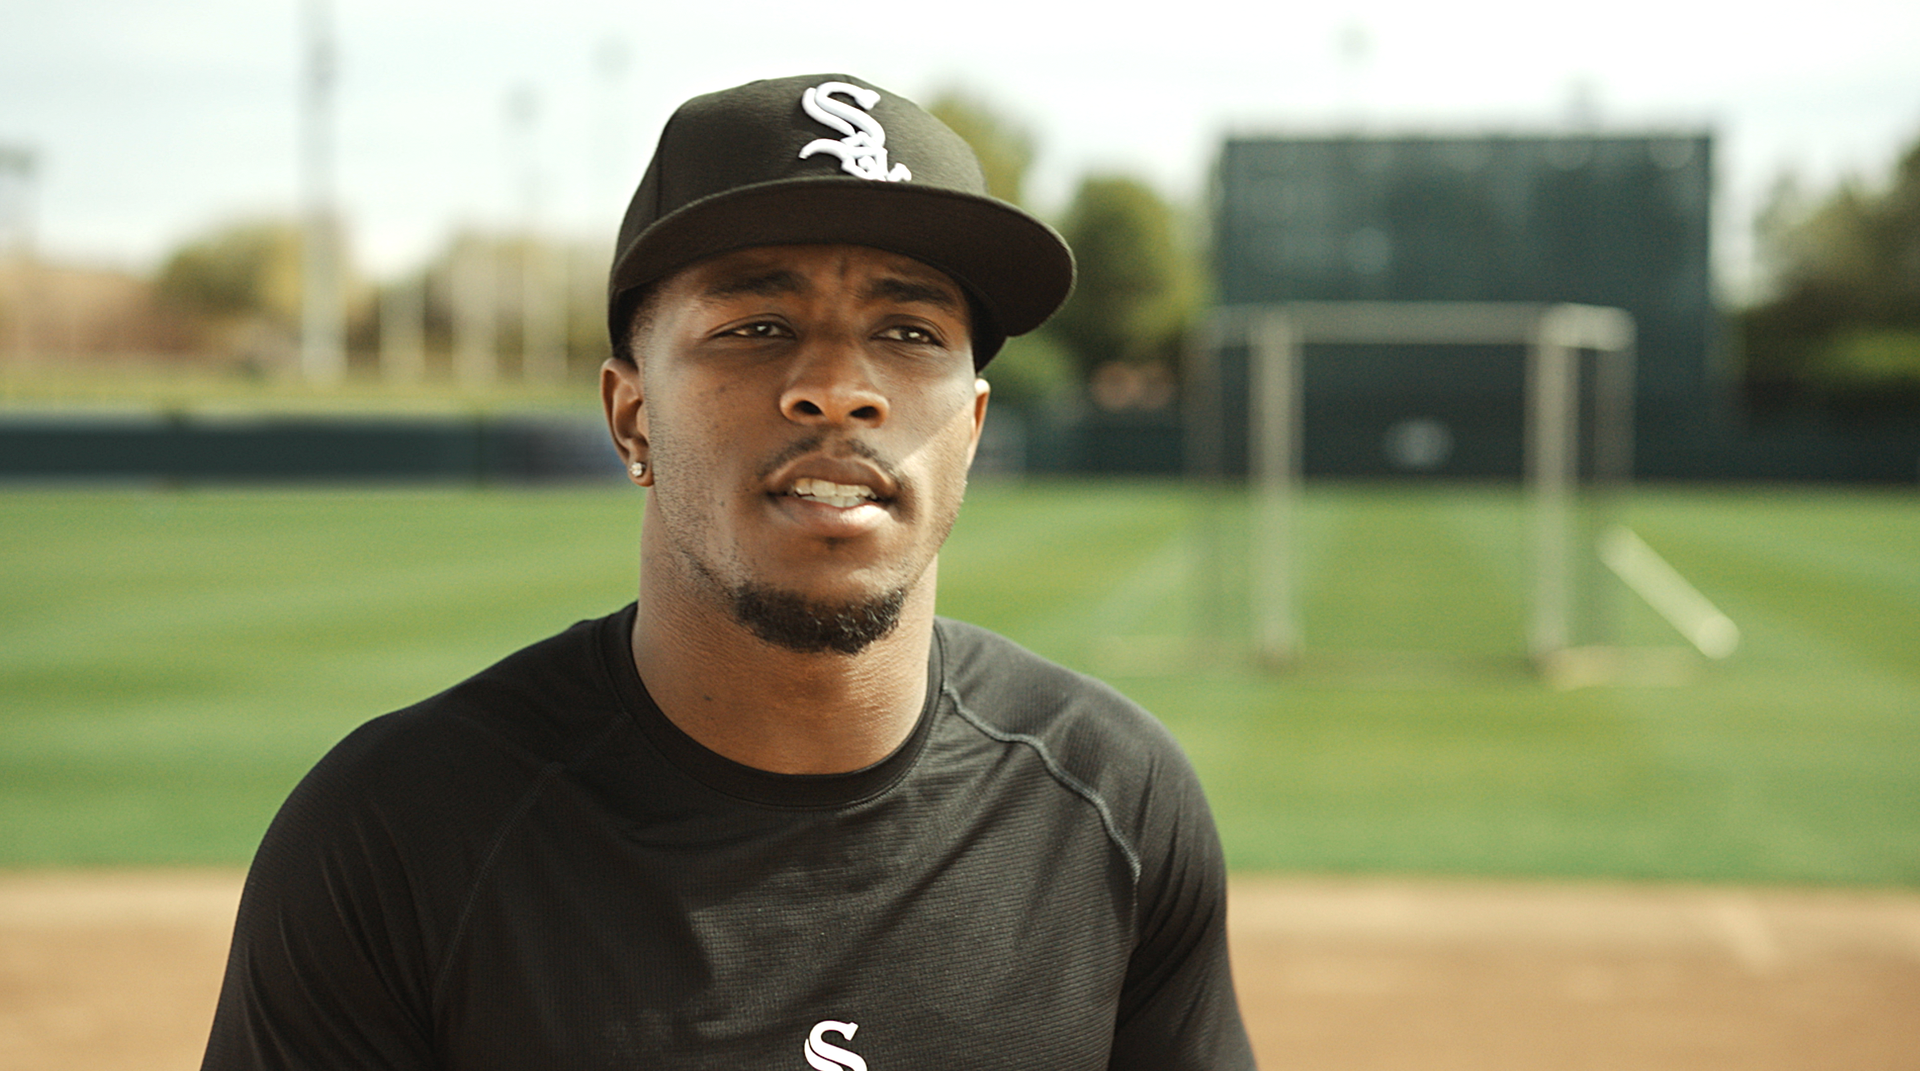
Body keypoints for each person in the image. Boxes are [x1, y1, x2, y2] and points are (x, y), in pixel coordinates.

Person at [201, 73, 1255, 1070]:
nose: (839, 387)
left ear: (971, 427)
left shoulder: (1115, 801)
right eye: (755, 326)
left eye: (909, 330)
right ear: (631, 414)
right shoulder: (398, 835)